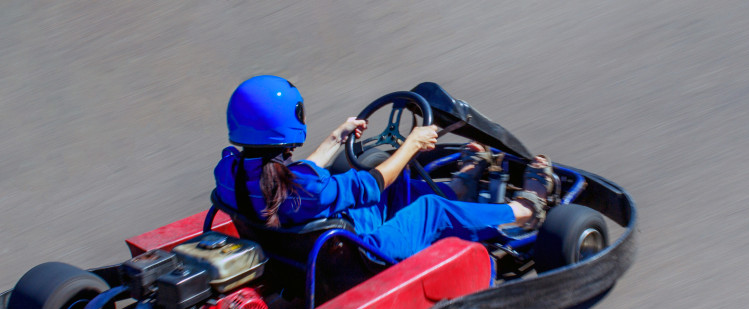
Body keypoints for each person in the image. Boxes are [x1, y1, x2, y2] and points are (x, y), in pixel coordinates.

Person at [214, 75, 553, 262]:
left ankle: (460, 188)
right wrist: (412, 144)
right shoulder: (308, 190)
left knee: (399, 188)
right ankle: (523, 210)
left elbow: (301, 175)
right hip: (361, 257)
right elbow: (372, 183)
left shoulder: (229, 172)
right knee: (429, 209)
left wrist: (337, 137)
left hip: (303, 251)